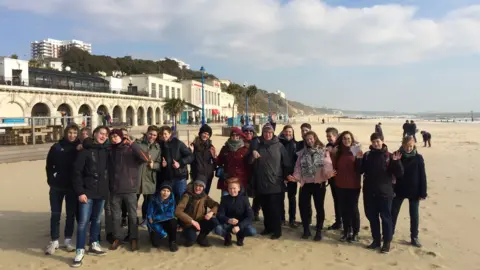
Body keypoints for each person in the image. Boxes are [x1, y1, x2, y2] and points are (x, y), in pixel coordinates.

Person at [357, 133, 404, 254]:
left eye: (378, 141)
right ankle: (376, 240)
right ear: (371, 143)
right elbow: (360, 171)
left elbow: (399, 174)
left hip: (385, 192)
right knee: (372, 217)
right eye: (373, 142)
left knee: (386, 218)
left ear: (382, 141)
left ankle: (387, 242)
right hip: (369, 192)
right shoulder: (367, 155)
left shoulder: (389, 156)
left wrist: (397, 162)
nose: (376, 144)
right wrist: (358, 159)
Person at [71, 126, 110, 267]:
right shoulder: (85, 151)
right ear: (95, 134)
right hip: (87, 192)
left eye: (106, 134)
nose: (103, 136)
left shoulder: (106, 150)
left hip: (101, 192)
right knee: (83, 222)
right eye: (101, 133)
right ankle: (80, 250)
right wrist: (80, 192)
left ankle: (94, 243)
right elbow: (76, 173)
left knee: (97, 219)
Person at [288, 131, 335, 241]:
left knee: (319, 208)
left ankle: (318, 231)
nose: (309, 141)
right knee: (303, 207)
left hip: (319, 184)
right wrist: (295, 177)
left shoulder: (323, 151)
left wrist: (328, 173)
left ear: (315, 138)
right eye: (307, 139)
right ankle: (306, 230)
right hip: (305, 184)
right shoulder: (301, 153)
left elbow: (327, 164)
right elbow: (298, 168)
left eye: (311, 138)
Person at [108, 129, 149, 251]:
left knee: (132, 215)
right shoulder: (109, 150)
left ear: (121, 137)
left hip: (130, 189)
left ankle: (133, 238)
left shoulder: (131, 149)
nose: (114, 138)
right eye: (112, 137)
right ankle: (117, 238)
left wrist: (132, 144)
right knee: (116, 216)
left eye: (116, 136)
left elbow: (145, 158)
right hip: (115, 189)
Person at [248, 123, 290, 240]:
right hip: (261, 182)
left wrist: (286, 177)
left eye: (270, 132)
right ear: (262, 133)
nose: (267, 134)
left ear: (273, 133)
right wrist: (252, 155)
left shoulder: (280, 146)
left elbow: (286, 164)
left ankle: (277, 231)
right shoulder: (257, 145)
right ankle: (268, 228)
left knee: (274, 208)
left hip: (275, 182)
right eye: (265, 132)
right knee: (265, 207)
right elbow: (249, 162)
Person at [45, 124, 81, 255]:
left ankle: (67, 239)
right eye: (70, 132)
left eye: (75, 133)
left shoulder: (79, 148)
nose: (72, 135)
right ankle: (54, 240)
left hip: (71, 187)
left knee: (70, 214)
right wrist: (51, 180)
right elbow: (49, 165)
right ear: (66, 133)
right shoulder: (56, 147)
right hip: (56, 187)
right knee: (55, 214)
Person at [391, 135, 427, 248]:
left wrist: (423, 192)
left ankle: (414, 237)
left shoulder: (418, 158)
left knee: (414, 215)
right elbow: (392, 172)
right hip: (399, 190)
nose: (408, 148)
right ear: (402, 145)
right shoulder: (397, 155)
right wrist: (395, 161)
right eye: (406, 146)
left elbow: (423, 176)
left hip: (414, 191)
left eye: (411, 146)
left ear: (414, 145)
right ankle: (389, 234)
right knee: (393, 212)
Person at [332, 131, 362, 242]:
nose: (346, 140)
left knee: (353, 209)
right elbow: (333, 167)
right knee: (344, 209)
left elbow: (360, 168)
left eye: (348, 138)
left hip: (354, 185)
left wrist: (359, 156)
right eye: (344, 138)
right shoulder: (339, 151)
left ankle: (355, 232)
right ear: (341, 140)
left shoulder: (356, 150)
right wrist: (333, 154)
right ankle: (346, 231)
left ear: (352, 139)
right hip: (340, 185)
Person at [175, 176, 219, 247]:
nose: (198, 188)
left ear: (203, 187)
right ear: (193, 185)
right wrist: (192, 221)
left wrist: (211, 212)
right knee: (190, 242)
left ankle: (201, 238)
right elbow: (177, 212)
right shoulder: (187, 195)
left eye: (201, 186)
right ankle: (183, 234)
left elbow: (216, 205)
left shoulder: (204, 196)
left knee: (214, 221)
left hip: (199, 220)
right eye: (196, 185)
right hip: (188, 223)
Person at [215, 178, 256, 246]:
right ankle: (227, 236)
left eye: (234, 188)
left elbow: (250, 216)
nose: (232, 190)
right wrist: (228, 220)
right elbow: (220, 214)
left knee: (252, 231)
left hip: (240, 224)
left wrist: (239, 226)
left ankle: (240, 236)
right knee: (217, 229)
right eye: (230, 188)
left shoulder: (244, 199)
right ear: (228, 189)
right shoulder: (224, 199)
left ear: (239, 188)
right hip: (228, 224)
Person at [158, 126, 194, 202]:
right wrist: (162, 164)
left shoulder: (178, 143)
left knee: (181, 199)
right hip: (167, 177)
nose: (164, 136)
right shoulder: (160, 145)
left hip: (179, 177)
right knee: (169, 199)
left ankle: (180, 214)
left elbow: (190, 156)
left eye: (165, 134)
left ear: (170, 133)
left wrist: (180, 163)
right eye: (162, 134)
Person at [136, 126, 162, 227]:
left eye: (155, 135)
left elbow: (159, 164)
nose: (152, 136)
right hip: (137, 177)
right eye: (150, 134)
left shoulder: (157, 147)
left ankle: (145, 219)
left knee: (148, 202)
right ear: (147, 133)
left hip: (149, 178)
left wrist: (153, 165)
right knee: (133, 202)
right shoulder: (137, 144)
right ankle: (132, 221)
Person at [216, 127, 249, 195]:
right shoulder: (225, 148)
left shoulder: (245, 149)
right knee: (225, 201)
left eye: (237, 135)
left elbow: (248, 166)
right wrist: (214, 157)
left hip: (240, 181)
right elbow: (219, 162)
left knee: (240, 202)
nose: (235, 137)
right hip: (227, 180)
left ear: (240, 136)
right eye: (233, 135)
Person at [147, 184, 179, 252]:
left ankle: (172, 241)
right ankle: (156, 234)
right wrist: (150, 217)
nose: (165, 193)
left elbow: (170, 214)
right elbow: (150, 212)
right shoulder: (153, 199)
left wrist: (155, 217)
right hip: (156, 222)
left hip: (165, 220)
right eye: (163, 190)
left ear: (170, 193)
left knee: (173, 221)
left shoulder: (172, 200)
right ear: (160, 191)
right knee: (155, 244)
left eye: (168, 191)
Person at [278, 125, 298, 228]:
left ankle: (292, 219)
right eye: (286, 132)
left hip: (292, 176)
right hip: (280, 176)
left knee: (292, 198)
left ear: (293, 133)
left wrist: (293, 176)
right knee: (280, 198)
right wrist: (283, 176)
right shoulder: (278, 143)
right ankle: (281, 219)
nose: (288, 134)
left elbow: (297, 162)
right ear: (283, 132)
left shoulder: (296, 144)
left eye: (290, 132)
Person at [190, 124, 216, 195]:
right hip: (197, 174)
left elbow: (215, 163)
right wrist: (190, 153)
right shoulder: (194, 145)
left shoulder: (211, 146)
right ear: (200, 133)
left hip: (208, 175)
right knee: (196, 195)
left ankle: (204, 206)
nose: (206, 135)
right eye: (204, 133)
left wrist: (214, 157)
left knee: (205, 195)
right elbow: (189, 160)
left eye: (208, 134)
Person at [325, 127, 342, 230]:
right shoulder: (328, 146)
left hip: (341, 178)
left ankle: (345, 223)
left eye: (330, 136)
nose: (328, 138)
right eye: (327, 136)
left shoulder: (341, 146)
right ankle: (338, 222)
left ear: (336, 136)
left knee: (342, 201)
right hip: (332, 178)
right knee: (336, 200)